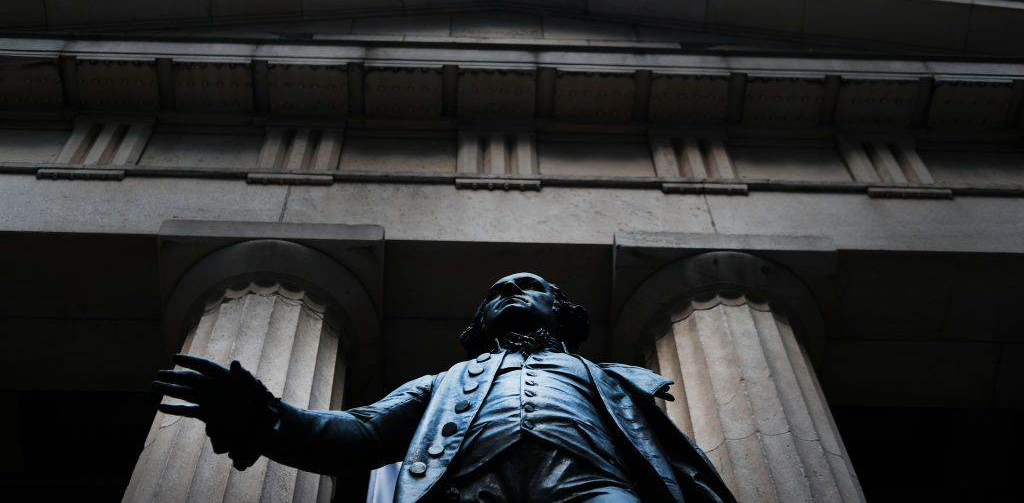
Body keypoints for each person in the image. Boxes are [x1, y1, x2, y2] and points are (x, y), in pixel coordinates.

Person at [155, 273, 735, 502]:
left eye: (527, 287)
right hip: (470, 492)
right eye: (495, 293)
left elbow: (681, 467)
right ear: (479, 323)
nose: (508, 293)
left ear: (561, 310)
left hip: (592, 488)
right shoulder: (445, 384)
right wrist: (268, 416)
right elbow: (363, 432)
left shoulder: (609, 378)